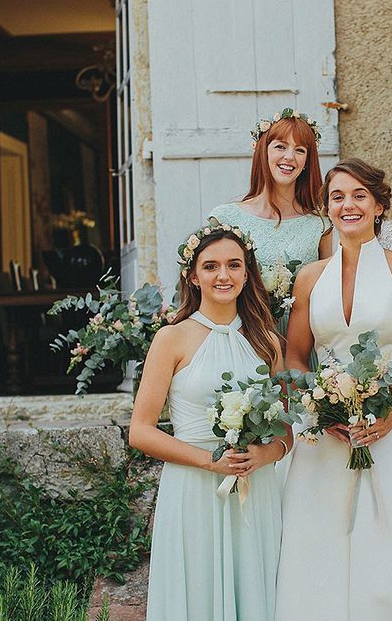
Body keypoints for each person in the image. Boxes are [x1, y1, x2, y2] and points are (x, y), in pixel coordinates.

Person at [275, 158, 392, 621]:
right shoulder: (309, 277)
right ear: (327, 207)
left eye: (358, 196)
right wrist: (317, 409)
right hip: (326, 436)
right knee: (317, 546)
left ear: (378, 205)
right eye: (337, 197)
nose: (347, 205)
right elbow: (295, 358)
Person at [129, 219, 290, 621]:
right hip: (194, 488)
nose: (224, 275)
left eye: (234, 265)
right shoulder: (172, 338)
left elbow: (286, 430)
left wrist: (265, 454)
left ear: (247, 273)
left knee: (256, 591)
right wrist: (208, 461)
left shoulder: (267, 341)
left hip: (256, 489)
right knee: (197, 593)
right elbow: (140, 431)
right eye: (211, 266)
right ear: (193, 276)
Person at [209, 108, 331, 334]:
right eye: (280, 147)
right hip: (244, 334)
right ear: (262, 152)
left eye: (300, 150)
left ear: (307, 161)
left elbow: (330, 295)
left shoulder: (321, 226)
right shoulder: (226, 218)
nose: (289, 157)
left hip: (302, 338)